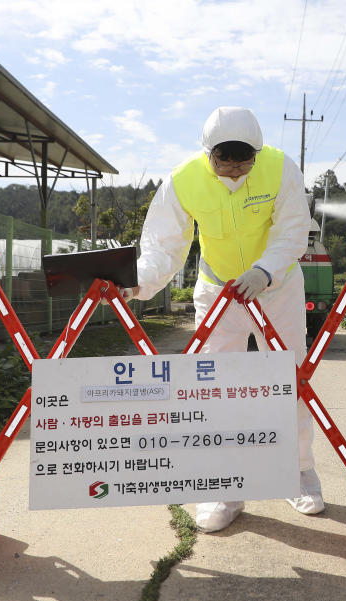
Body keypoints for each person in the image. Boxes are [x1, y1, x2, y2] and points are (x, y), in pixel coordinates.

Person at [126, 106, 323, 533]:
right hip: (219, 292)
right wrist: (137, 283)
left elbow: (294, 228)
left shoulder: (280, 168)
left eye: (243, 160)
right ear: (207, 152)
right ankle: (224, 488)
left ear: (258, 151)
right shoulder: (184, 179)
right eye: (223, 160)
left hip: (277, 288)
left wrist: (265, 270)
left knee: (291, 381)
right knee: (216, 389)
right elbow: (163, 245)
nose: (234, 171)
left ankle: (299, 473)